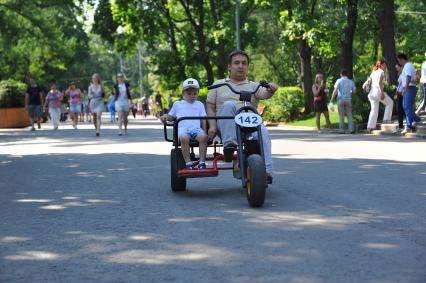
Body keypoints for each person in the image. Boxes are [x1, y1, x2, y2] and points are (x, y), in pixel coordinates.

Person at [206, 50, 278, 184]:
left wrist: (271, 89)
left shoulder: (253, 86)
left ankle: (267, 171)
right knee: (228, 105)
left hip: (250, 124)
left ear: (247, 67)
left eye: (244, 63)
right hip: (227, 125)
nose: (240, 66)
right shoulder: (219, 84)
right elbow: (210, 106)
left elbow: (265, 94)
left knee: (263, 131)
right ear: (229, 66)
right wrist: (212, 125)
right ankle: (229, 145)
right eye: (236, 63)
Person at [160, 78, 208, 170]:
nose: (192, 96)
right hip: (183, 129)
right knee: (184, 138)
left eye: (195, 93)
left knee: (203, 137)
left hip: (196, 129)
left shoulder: (200, 104)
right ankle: (188, 162)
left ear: (198, 93)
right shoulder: (178, 104)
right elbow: (171, 116)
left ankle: (202, 162)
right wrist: (166, 116)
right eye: (189, 93)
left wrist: (204, 131)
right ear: (183, 93)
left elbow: (203, 119)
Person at [366, 59, 394, 132]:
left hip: (371, 93)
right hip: (378, 92)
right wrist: (382, 93)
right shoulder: (381, 72)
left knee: (374, 110)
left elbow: (369, 80)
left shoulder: (374, 71)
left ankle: (370, 127)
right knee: (390, 103)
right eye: (384, 65)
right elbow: (379, 83)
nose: (385, 66)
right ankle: (386, 120)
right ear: (381, 65)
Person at [398, 53, 421, 135]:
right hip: (408, 88)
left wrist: (406, 88)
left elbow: (408, 77)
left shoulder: (407, 65)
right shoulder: (407, 66)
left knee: (407, 106)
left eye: (399, 60)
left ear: (402, 59)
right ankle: (417, 120)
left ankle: (408, 126)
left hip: (410, 88)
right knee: (405, 106)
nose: (399, 62)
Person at [331, 69, 356, 134]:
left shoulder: (339, 81)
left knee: (341, 115)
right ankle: (351, 129)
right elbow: (354, 91)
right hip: (348, 99)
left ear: (341, 74)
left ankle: (342, 130)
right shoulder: (351, 81)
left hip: (340, 99)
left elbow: (335, 90)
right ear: (347, 74)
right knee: (349, 115)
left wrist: (331, 100)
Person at [395, 63, 405, 131]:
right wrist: (396, 93)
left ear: (401, 67)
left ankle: (403, 125)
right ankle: (400, 125)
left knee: (402, 108)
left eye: (397, 67)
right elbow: (399, 85)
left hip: (402, 92)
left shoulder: (403, 74)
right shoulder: (400, 74)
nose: (396, 69)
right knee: (399, 109)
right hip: (399, 92)